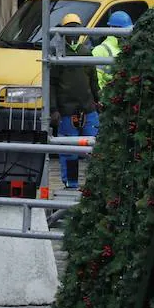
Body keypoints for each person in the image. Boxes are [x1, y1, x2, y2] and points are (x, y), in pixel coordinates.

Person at [50, 14, 100, 188]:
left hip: (88, 109)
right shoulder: (57, 55)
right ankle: (71, 183)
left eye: (76, 28)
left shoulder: (86, 53)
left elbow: (93, 80)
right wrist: (53, 109)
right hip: (67, 111)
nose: (74, 33)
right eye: (70, 28)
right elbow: (52, 84)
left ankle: (94, 182)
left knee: (94, 147)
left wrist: (98, 101)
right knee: (70, 150)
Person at [94, 10, 132, 93]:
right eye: (125, 30)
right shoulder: (100, 50)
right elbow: (97, 81)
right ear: (116, 30)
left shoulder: (129, 47)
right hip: (109, 98)